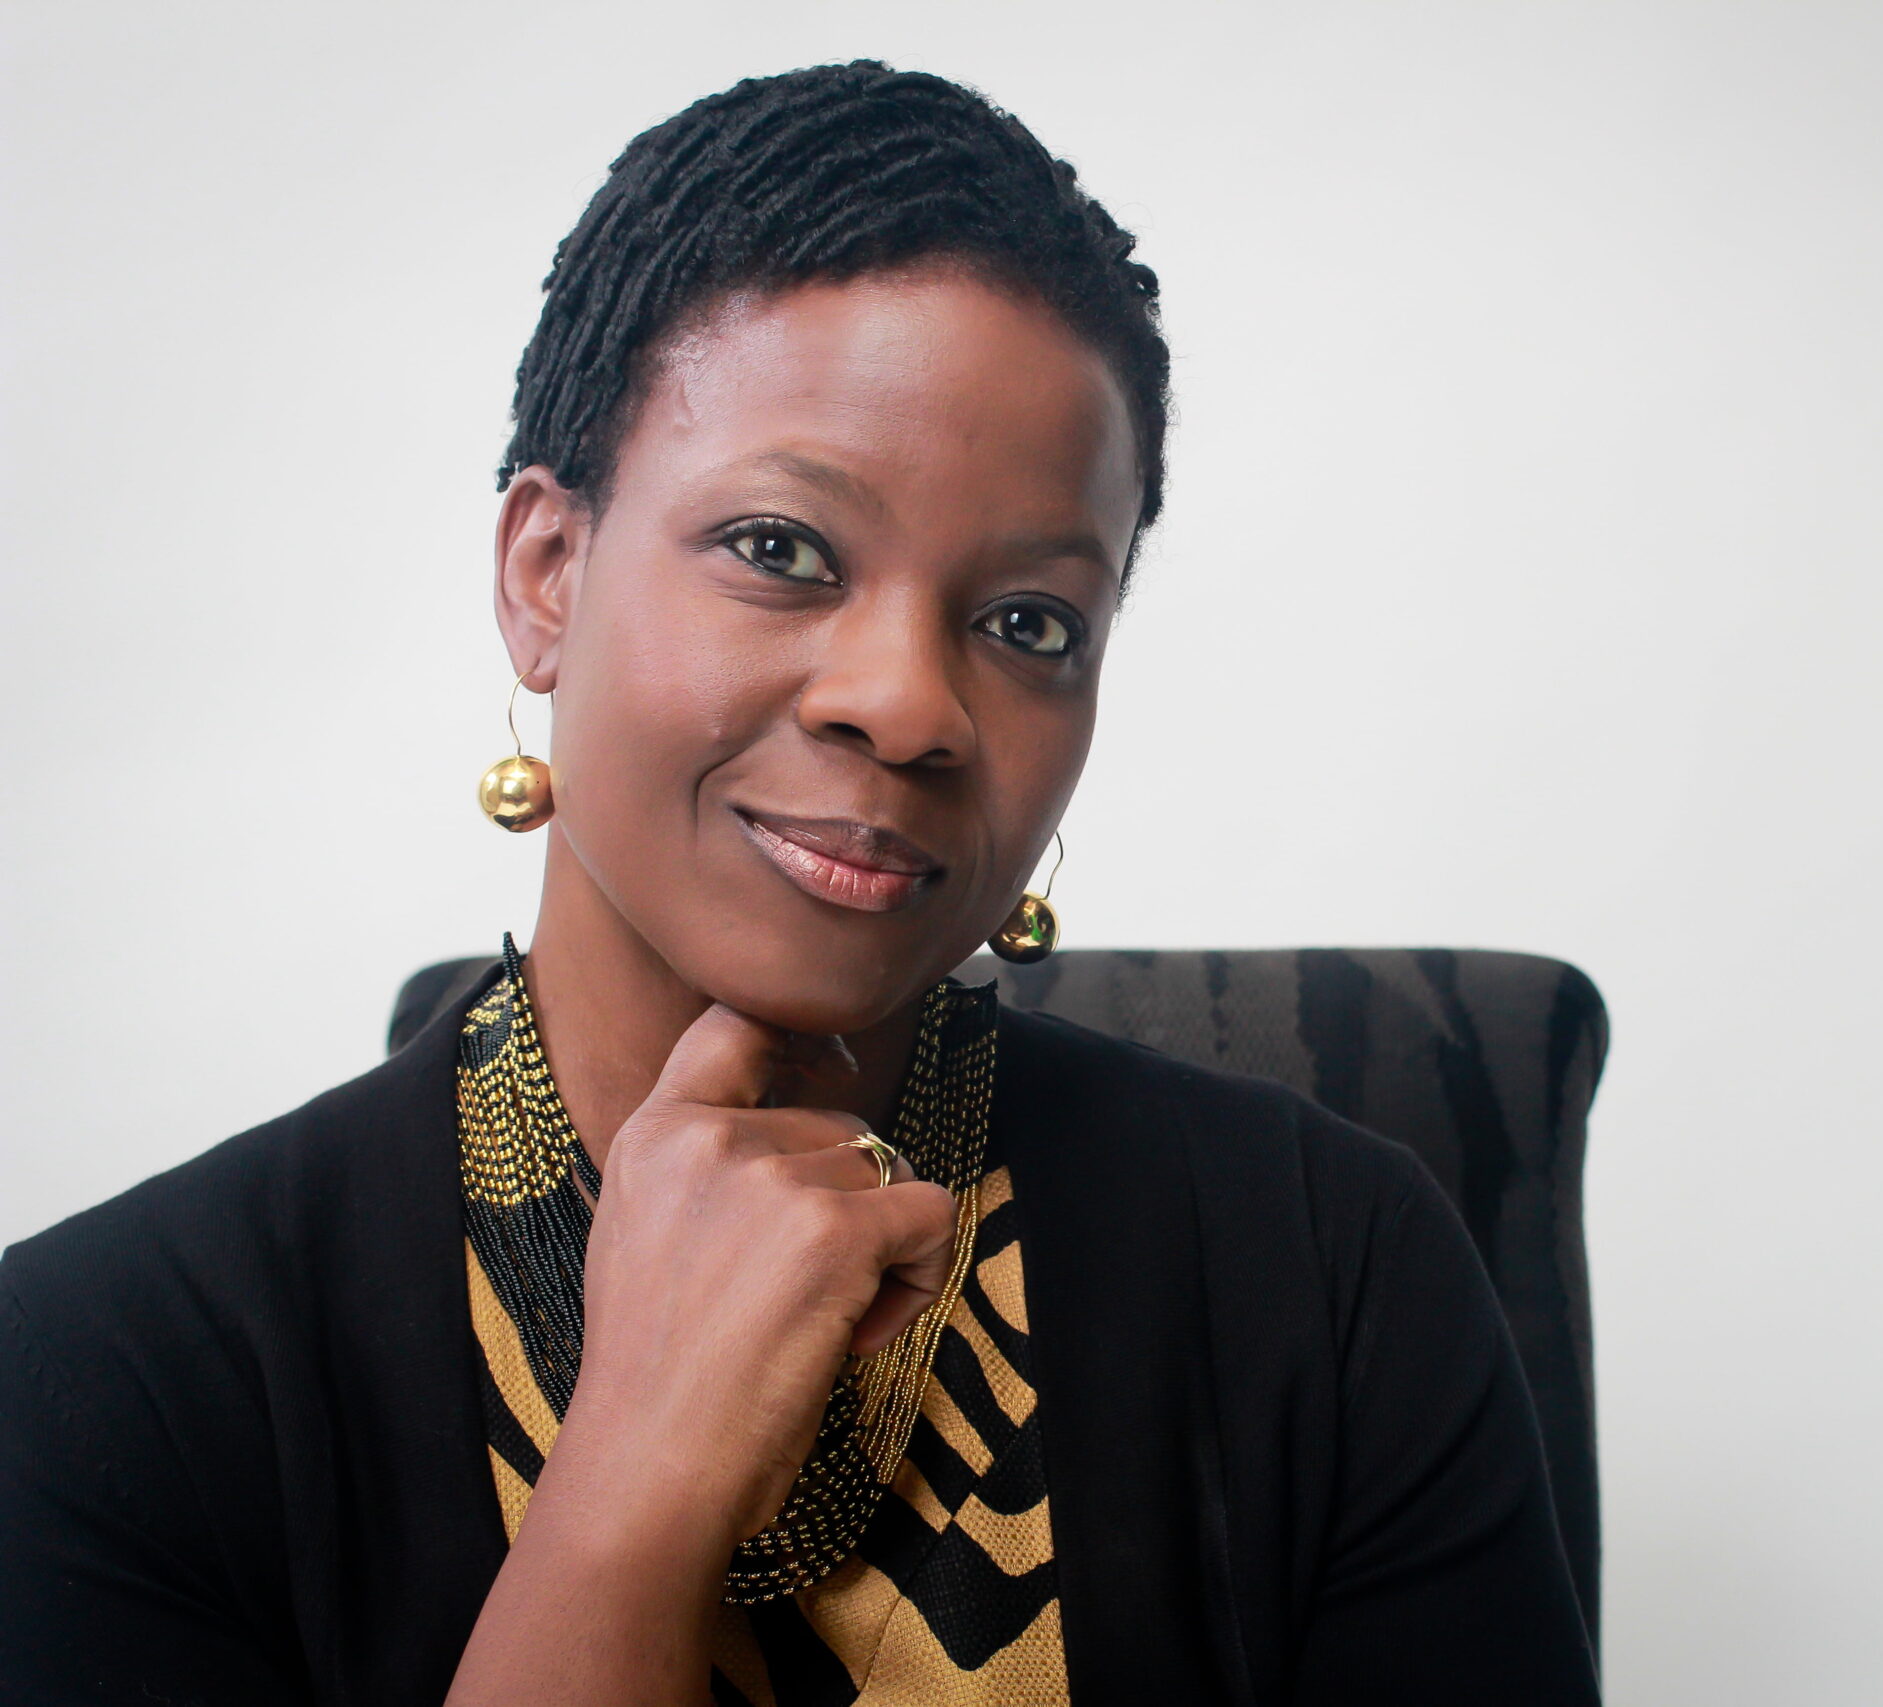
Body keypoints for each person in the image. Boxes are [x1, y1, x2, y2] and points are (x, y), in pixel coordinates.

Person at [0, 62, 1597, 1707]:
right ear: (547, 574)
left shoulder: (1334, 1281)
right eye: (782, 549)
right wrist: (635, 1484)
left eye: (1030, 622)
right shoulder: (102, 1378)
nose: (908, 703)